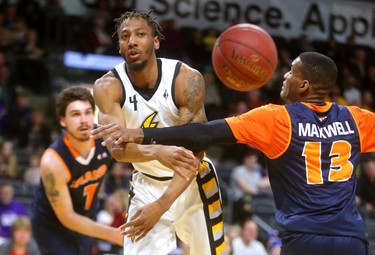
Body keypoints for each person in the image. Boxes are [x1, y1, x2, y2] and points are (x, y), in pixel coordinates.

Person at [91, 52, 371, 255]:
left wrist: (140, 133)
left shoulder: (277, 119)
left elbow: (203, 134)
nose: (284, 75)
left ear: (304, 86)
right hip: (352, 239)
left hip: (305, 237)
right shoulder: (357, 119)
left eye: (291, 72)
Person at [92, 10, 225, 255]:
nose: (131, 41)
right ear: (120, 47)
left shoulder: (186, 79)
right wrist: (157, 151)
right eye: (124, 37)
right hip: (147, 184)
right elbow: (117, 151)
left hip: (193, 181)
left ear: (155, 41)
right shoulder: (107, 87)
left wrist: (162, 205)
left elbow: (195, 148)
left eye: (140, 34)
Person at [29, 86, 123, 255]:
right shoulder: (53, 161)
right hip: (52, 225)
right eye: (75, 114)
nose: (84, 120)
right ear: (62, 120)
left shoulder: (106, 138)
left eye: (87, 112)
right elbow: (67, 217)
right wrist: (112, 233)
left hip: (86, 216)